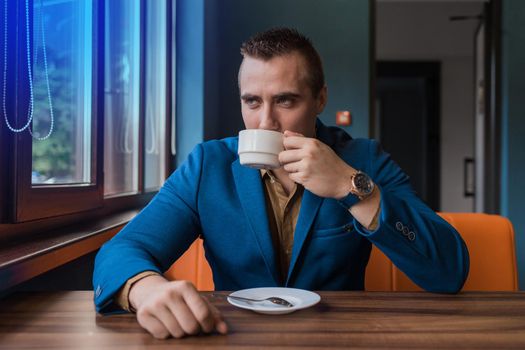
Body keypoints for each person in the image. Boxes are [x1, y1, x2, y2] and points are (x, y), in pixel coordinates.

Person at [93, 27, 469, 339]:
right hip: (232, 337)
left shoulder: (362, 161)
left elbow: (448, 270)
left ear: (320, 99)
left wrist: (348, 185)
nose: (265, 122)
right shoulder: (208, 165)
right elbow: (121, 251)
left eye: (285, 101)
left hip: (338, 340)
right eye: (252, 101)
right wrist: (145, 289)